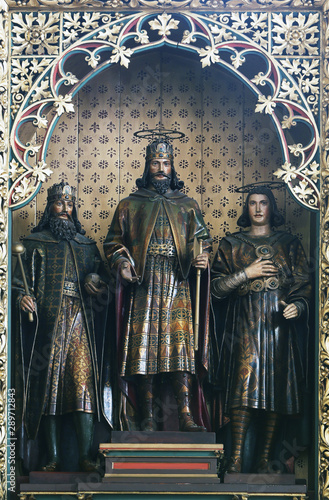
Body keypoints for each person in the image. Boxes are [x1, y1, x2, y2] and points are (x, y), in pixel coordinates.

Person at [104, 137, 212, 432]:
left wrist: (202, 256)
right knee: (144, 348)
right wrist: (122, 263)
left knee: (180, 347)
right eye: (155, 163)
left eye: (165, 163)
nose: (161, 169)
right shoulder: (130, 204)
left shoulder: (187, 205)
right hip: (145, 283)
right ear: (147, 166)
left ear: (172, 166)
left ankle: (187, 413)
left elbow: (202, 240)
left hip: (177, 282)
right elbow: (113, 242)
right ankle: (147, 415)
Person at [211, 186, 311, 473]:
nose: (257, 209)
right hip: (243, 325)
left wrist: (299, 307)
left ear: (272, 208)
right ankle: (235, 457)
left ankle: (265, 457)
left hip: (278, 327)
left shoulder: (289, 243)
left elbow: (304, 285)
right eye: (252, 203)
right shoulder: (231, 244)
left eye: (263, 203)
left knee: (276, 387)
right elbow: (216, 289)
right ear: (246, 208)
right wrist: (246, 273)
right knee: (242, 388)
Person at [13, 181, 110, 472]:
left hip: (80, 321)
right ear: (50, 207)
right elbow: (18, 282)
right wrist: (22, 297)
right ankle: (52, 457)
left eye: (69, 204)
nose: (65, 209)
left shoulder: (87, 246)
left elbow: (103, 281)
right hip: (48, 323)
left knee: (82, 386)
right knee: (49, 389)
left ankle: (85, 455)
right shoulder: (33, 244)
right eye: (59, 203)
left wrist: (97, 284)